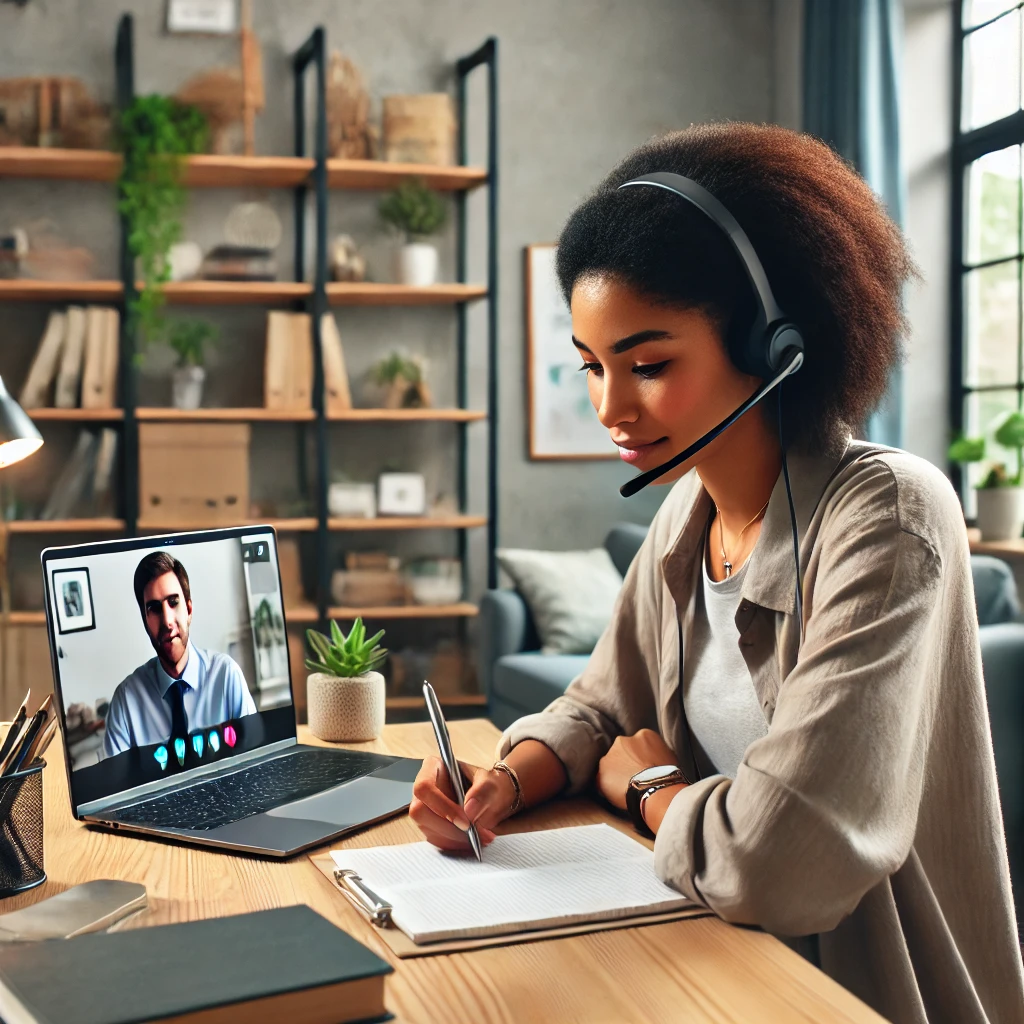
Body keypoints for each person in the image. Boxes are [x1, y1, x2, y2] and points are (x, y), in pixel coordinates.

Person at [409, 124, 1024, 1024]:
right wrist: (512, 776)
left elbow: (782, 861)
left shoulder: (889, 517)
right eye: (592, 367)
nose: (612, 408)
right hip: (712, 958)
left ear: (776, 344)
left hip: (856, 994)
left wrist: (653, 790)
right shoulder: (682, 518)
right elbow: (598, 710)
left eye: (650, 365)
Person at [102, 551, 257, 758]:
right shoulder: (125, 702)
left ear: (189, 610)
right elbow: (118, 788)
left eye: (173, 603)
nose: (167, 620)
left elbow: (255, 760)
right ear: (145, 621)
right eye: (155, 609)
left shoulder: (226, 676)